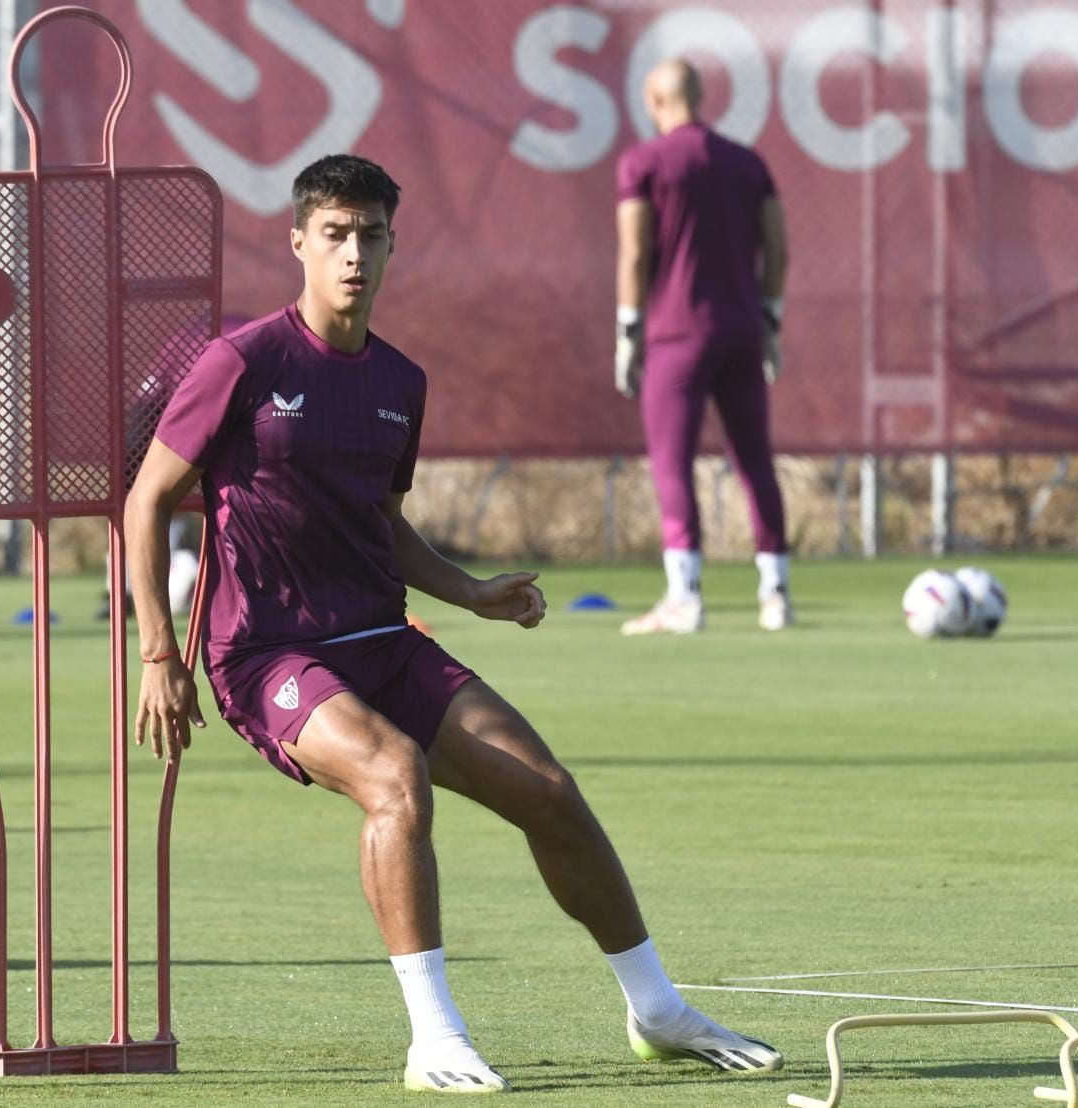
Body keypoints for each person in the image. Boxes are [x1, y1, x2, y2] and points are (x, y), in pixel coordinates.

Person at [125, 154, 782, 1094]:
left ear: (393, 244)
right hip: (267, 651)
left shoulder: (399, 381)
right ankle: (433, 1037)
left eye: (372, 236)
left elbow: (383, 527)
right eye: (337, 234)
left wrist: (470, 592)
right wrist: (158, 650)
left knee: (548, 789)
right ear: (301, 242)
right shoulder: (243, 362)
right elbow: (147, 501)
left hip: (381, 640)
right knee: (395, 777)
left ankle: (657, 1009)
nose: (354, 254)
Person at [614, 59, 793, 635]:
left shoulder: (643, 162)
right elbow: (778, 249)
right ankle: (776, 593)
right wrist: (769, 319)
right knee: (754, 460)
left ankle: (685, 596)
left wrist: (627, 330)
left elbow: (636, 253)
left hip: (676, 334)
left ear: (655, 100)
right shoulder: (748, 162)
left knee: (672, 463)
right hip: (742, 329)